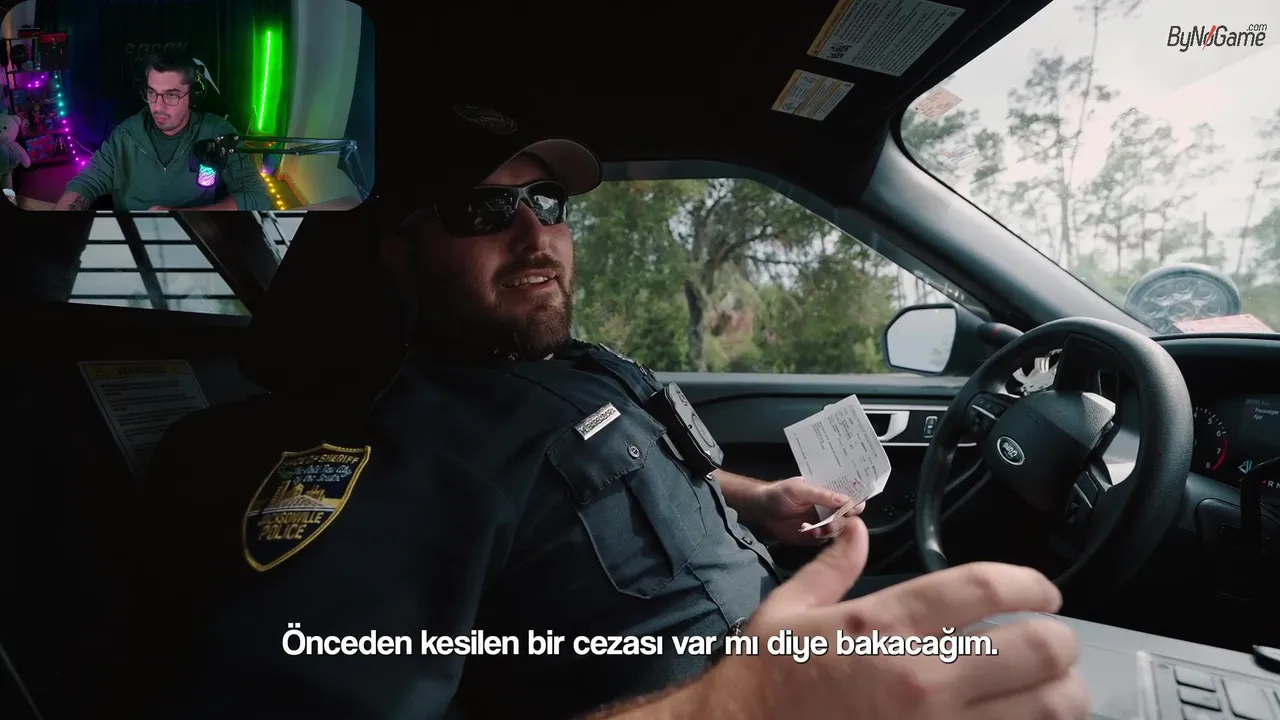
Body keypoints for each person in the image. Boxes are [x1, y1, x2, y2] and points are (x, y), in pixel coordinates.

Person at [146, 105, 1089, 720]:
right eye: (485, 211)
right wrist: (738, 706)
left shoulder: (570, 365)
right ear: (398, 250)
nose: (536, 234)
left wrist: (751, 498)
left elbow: (618, 479)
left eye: (546, 201)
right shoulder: (396, 451)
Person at [52, 49, 270, 211]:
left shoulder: (217, 132)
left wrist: (182, 216)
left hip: (195, 234)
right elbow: (87, 182)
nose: (157, 106)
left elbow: (256, 195)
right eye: (152, 93)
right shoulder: (125, 135)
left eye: (171, 95)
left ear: (192, 96)